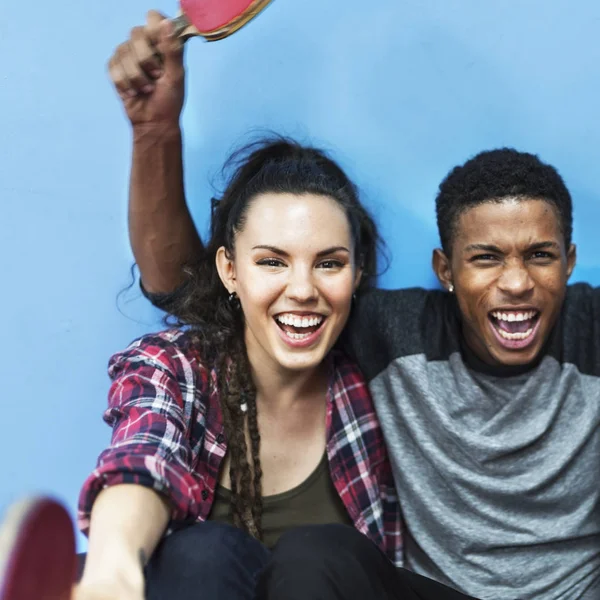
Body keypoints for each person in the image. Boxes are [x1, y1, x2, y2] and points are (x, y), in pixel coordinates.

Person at [120, 11, 600, 600]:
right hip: (373, 585)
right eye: (486, 258)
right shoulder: (391, 332)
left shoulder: (588, 327)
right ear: (444, 271)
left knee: (314, 551)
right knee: (267, 553)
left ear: (570, 263)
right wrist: (155, 133)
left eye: (541, 256)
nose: (517, 283)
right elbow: (181, 287)